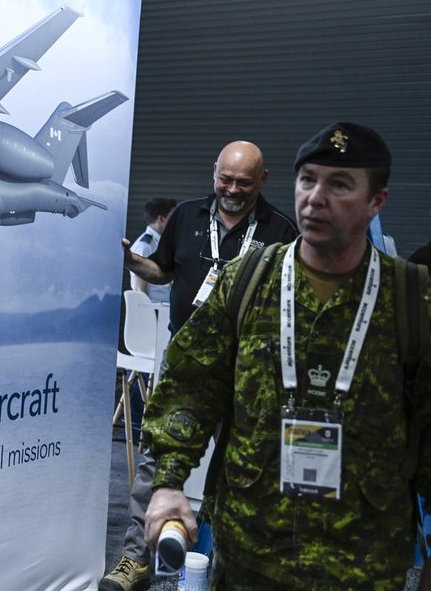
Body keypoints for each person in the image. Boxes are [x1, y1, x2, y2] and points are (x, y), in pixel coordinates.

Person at [141, 122, 431, 588]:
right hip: (250, 550)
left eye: (339, 185)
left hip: (364, 561)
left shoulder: (412, 298)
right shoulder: (247, 281)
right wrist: (170, 482)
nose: (315, 197)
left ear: (376, 201)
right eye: (308, 180)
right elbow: (190, 388)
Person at [102, 141, 297, 591]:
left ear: (262, 180)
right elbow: (162, 271)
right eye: (225, 179)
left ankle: (228, 565)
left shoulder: (281, 230)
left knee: (243, 465)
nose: (232, 189)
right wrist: (131, 261)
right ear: (214, 172)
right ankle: (137, 558)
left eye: (243, 182)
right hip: (186, 360)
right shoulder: (186, 216)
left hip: (248, 366)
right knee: (158, 455)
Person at [129, 197, 177, 303]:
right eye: (173, 218)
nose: (176, 222)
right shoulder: (144, 246)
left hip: (165, 307)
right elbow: (139, 289)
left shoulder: (160, 242)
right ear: (161, 219)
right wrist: (148, 312)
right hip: (154, 308)